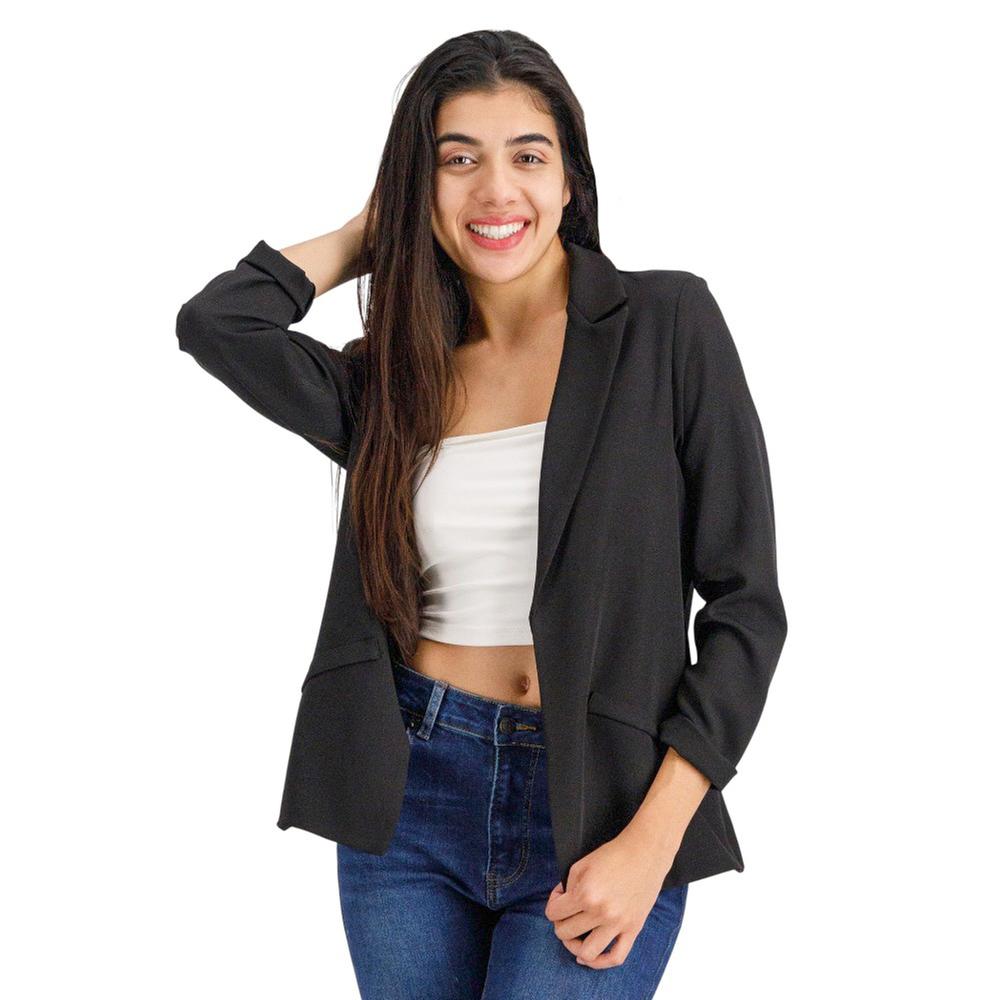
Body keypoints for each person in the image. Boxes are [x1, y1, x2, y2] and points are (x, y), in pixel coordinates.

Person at [175, 28, 787, 1000]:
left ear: (571, 180)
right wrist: (371, 231)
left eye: (527, 157)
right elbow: (217, 324)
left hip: (603, 799)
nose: (496, 190)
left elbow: (746, 607)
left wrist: (653, 840)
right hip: (409, 795)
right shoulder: (394, 377)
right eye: (457, 161)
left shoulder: (664, 326)